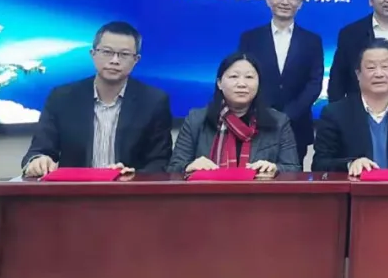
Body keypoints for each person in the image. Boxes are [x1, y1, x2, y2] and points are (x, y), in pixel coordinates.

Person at [22, 21, 172, 177]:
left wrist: (135, 176)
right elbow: (39, 150)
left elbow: (160, 161)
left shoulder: (154, 101)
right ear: (93, 54)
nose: (114, 60)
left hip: (128, 190)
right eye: (107, 52)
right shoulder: (62, 98)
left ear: (136, 60)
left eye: (124, 54)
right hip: (75, 189)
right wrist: (38, 161)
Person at [313, 39, 388, 176]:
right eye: (371, 68)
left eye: (385, 66)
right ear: (358, 74)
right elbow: (319, 164)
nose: (379, 74)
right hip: (354, 188)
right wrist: (350, 164)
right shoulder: (335, 113)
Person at [167, 51, 300, 175]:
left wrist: (275, 169)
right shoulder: (196, 120)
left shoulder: (279, 122)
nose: (242, 84)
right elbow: (173, 168)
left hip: (260, 192)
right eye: (234, 76)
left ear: (259, 83)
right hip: (207, 192)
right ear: (219, 83)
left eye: (249, 77)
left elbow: (293, 169)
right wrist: (189, 166)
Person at [237, 0, 324, 155]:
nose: (285, 2)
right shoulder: (250, 38)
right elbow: (243, 77)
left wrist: (288, 115)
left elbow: (314, 83)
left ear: (300, 3)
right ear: (268, 0)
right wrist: (263, 113)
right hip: (256, 122)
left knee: (293, 172)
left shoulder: (312, 41)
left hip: (297, 126)